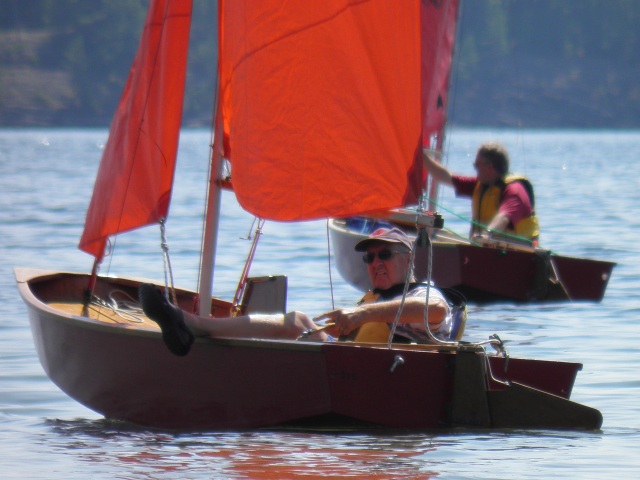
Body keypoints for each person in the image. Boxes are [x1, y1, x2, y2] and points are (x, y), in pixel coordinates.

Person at [139, 228, 451, 356]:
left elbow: (434, 309)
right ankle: (194, 325)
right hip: (345, 371)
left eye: (385, 255)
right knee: (300, 321)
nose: (376, 263)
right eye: (369, 258)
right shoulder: (372, 298)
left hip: (383, 384)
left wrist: (359, 314)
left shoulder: (423, 294)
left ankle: (194, 325)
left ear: (409, 258)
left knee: (298, 322)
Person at [423, 142, 540, 245]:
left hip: (518, 254)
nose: (475, 168)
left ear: (489, 167)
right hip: (488, 249)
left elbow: (504, 217)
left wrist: (487, 234)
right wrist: (422, 157)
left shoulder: (515, 190)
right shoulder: (480, 185)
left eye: (477, 165)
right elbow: (446, 177)